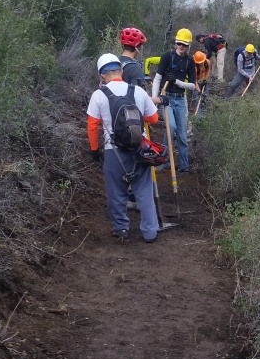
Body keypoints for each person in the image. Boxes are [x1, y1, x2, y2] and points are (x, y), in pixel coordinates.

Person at [87, 53, 161, 242]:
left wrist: (95, 151)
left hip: (113, 151)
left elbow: (92, 126)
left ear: (102, 75)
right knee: (144, 191)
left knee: (116, 191)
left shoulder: (98, 95)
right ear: (121, 70)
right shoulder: (137, 91)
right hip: (140, 149)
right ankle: (150, 232)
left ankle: (121, 229)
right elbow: (153, 119)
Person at [151, 29, 198, 173]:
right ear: (175, 43)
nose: (181, 46)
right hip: (166, 98)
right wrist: (155, 99)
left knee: (182, 135)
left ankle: (184, 167)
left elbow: (191, 85)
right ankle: (165, 162)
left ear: (189, 45)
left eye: (184, 44)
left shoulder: (190, 62)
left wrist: (177, 82)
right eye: (179, 43)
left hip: (180, 100)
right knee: (170, 127)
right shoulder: (167, 57)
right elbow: (158, 78)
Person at [192, 50, 211, 115]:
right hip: (195, 81)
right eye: (199, 62)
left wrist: (205, 79)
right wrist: (198, 89)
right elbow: (193, 79)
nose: (201, 63)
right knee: (196, 98)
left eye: (202, 62)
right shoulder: (194, 66)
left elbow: (207, 71)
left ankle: (204, 113)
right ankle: (198, 114)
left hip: (202, 79)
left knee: (205, 96)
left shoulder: (207, 62)